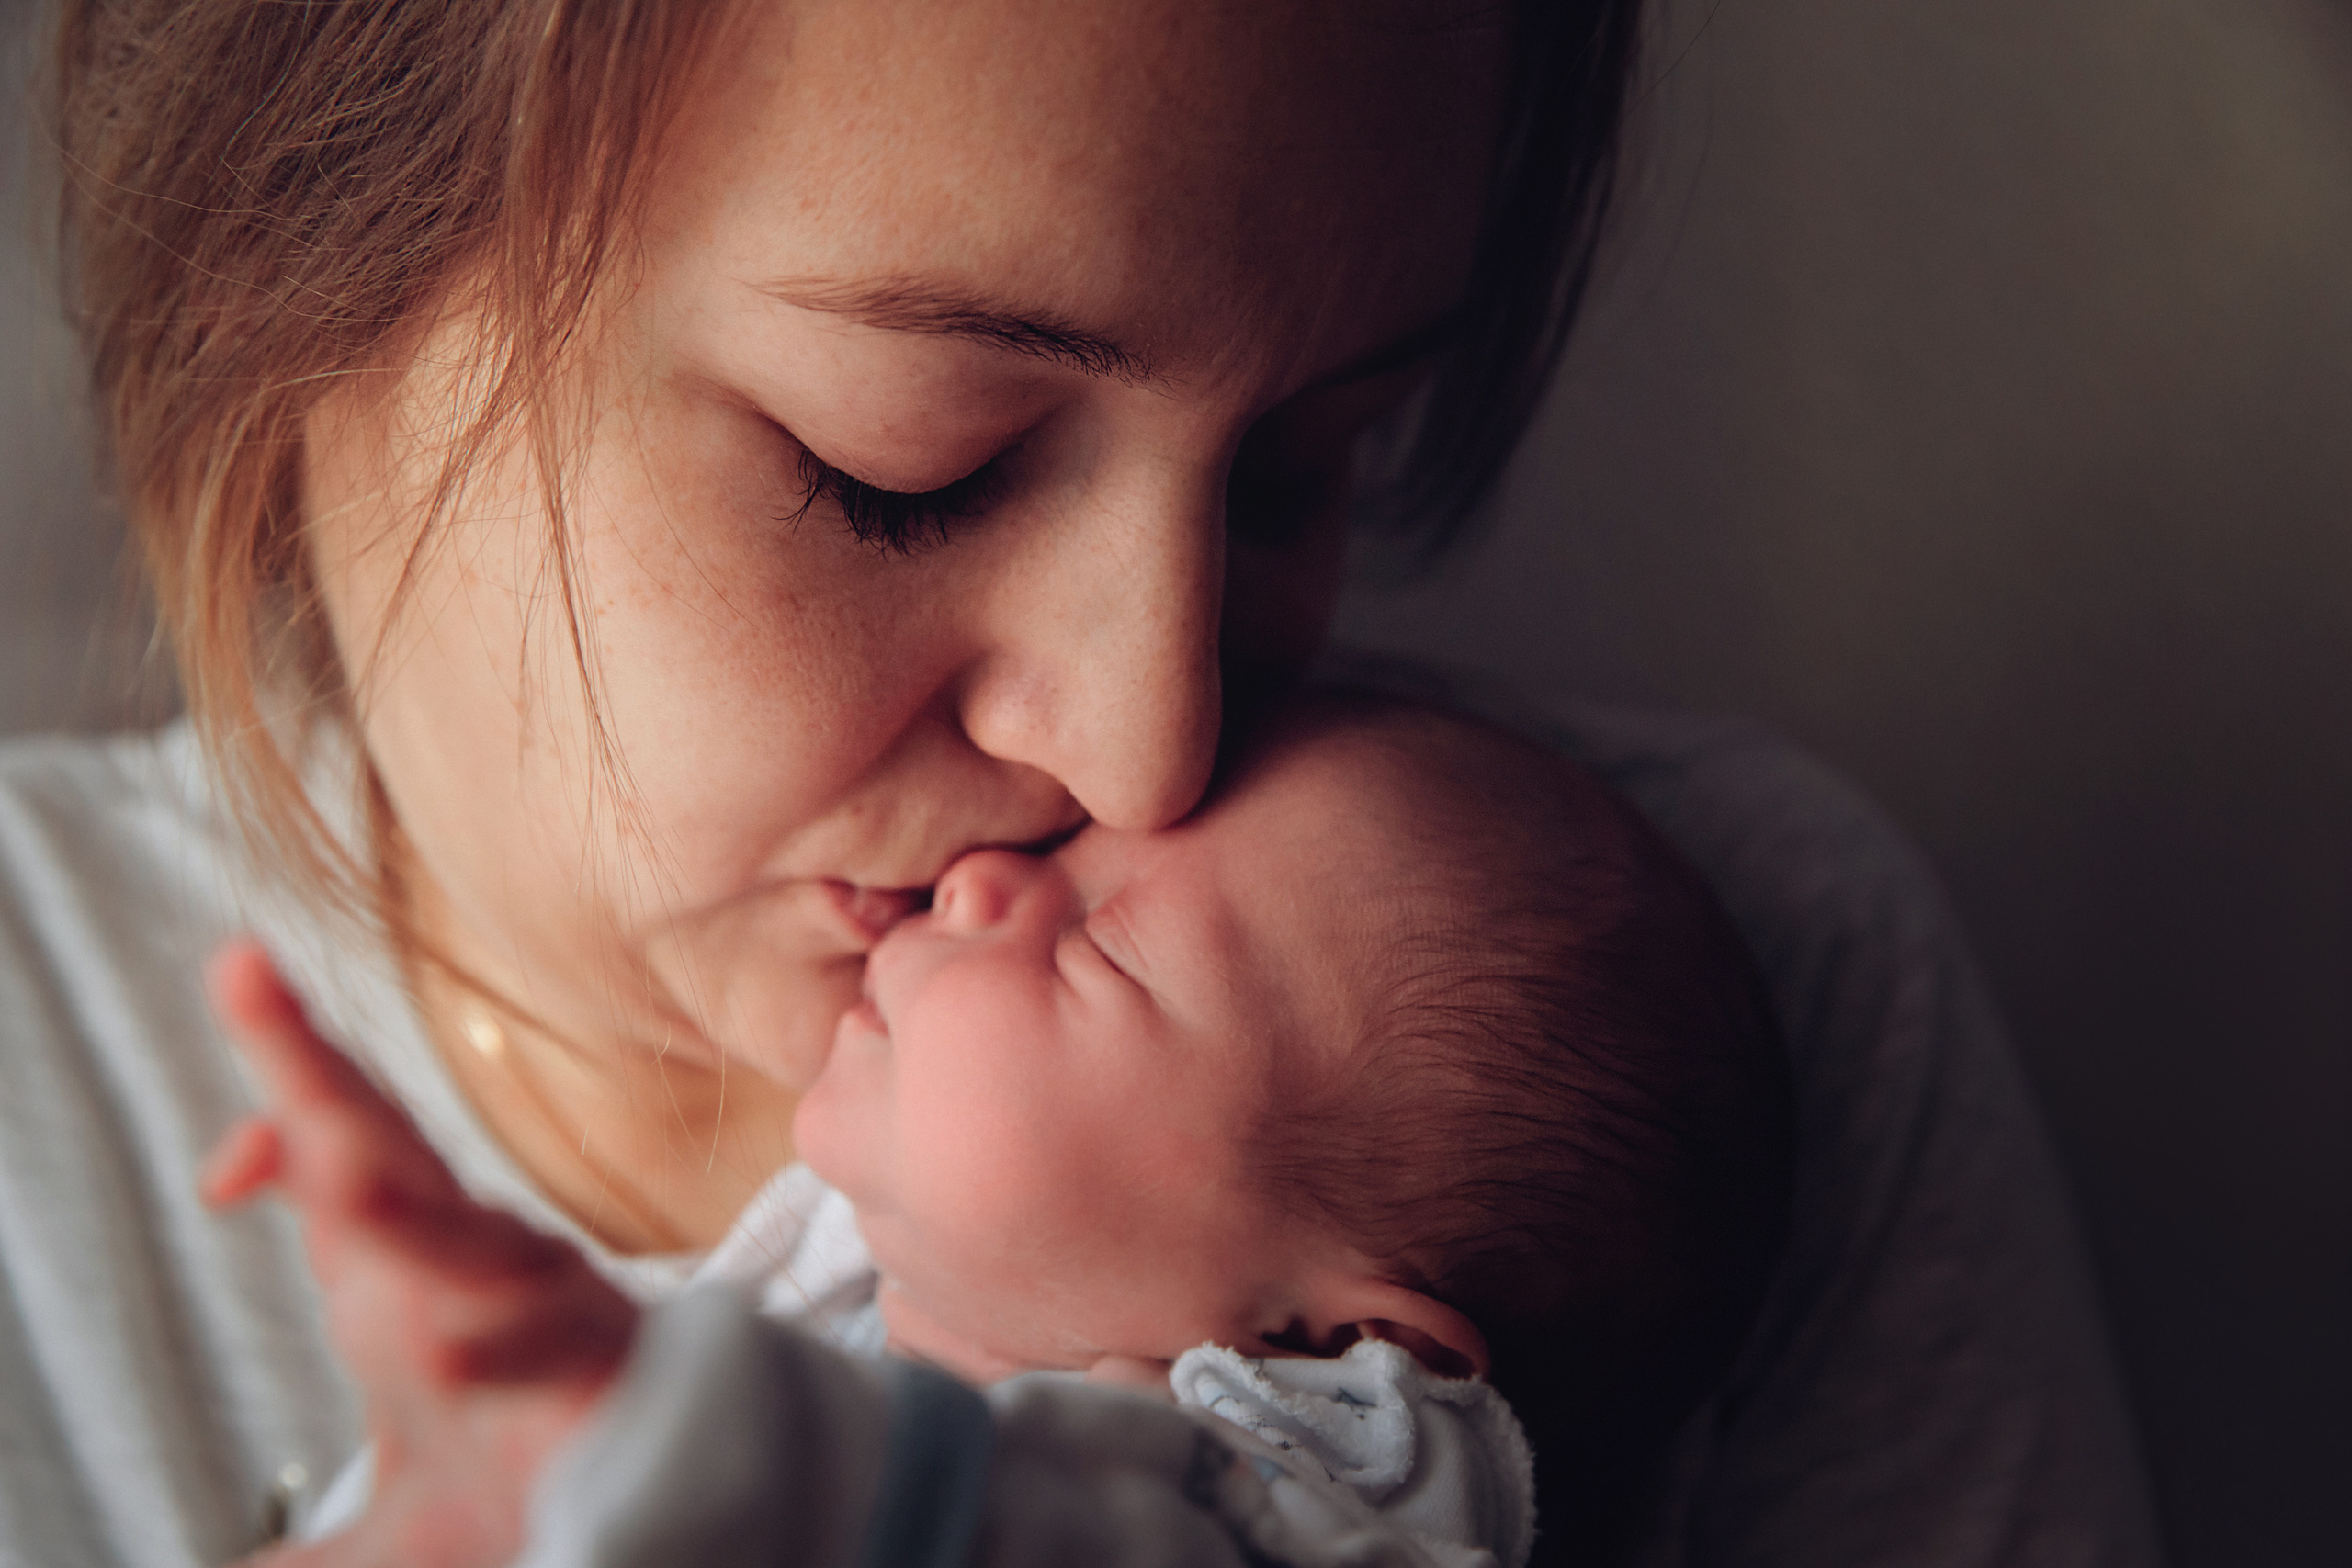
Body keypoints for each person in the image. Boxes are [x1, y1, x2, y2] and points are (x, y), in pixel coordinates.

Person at [1, 0, 2159, 1564]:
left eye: (1310, 465)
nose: (1155, 741)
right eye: (899, 476)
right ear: (297, 279)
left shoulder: (1699, 996)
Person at [204, 697, 1793, 1568]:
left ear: (1346, 1344)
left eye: (1104, 944)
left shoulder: (1324, 1502)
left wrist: (633, 1417)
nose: (984, 876)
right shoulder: (825, 1307)